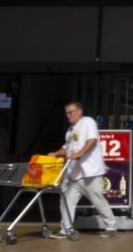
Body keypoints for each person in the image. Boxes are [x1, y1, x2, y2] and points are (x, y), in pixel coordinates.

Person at [50, 101, 117, 239]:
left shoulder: (88, 122)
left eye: (71, 112)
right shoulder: (70, 130)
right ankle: (66, 229)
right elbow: (66, 148)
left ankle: (111, 226)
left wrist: (80, 153)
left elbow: (92, 140)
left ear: (79, 111)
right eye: (66, 113)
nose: (68, 115)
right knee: (66, 201)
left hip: (90, 172)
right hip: (74, 174)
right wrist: (56, 153)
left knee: (97, 200)